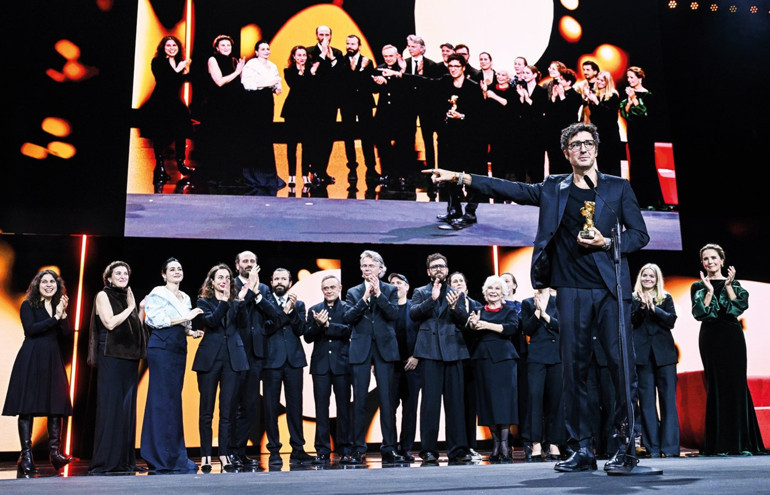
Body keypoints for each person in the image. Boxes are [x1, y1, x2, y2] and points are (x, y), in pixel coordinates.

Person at [426, 121, 650, 473]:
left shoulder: (617, 188)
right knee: (572, 373)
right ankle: (582, 449)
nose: (583, 148)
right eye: (575, 144)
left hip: (612, 291)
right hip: (571, 291)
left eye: (588, 142)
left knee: (621, 368)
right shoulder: (553, 188)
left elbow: (640, 235)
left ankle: (625, 446)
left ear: (597, 148)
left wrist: (607, 243)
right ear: (566, 153)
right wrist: (461, 178)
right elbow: (509, 188)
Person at [691, 243, 765, 455]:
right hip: (710, 337)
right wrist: (710, 291)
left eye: (714, 258)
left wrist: (729, 285)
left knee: (736, 385)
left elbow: (738, 307)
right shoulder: (698, 286)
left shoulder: (735, 283)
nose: (710, 262)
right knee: (716, 386)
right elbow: (701, 313)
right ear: (702, 263)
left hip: (732, 336)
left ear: (722, 260)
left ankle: (742, 443)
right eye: (706, 259)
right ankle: (720, 444)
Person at [3, 270, 74, 476]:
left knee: (56, 404)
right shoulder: (28, 305)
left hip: (52, 358)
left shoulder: (58, 306)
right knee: (27, 406)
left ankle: (55, 453)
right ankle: (26, 455)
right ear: (37, 284)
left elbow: (66, 333)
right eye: (45, 281)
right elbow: (31, 329)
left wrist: (63, 314)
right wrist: (55, 317)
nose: (49, 284)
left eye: (53, 281)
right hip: (32, 358)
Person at [140, 257, 203, 472]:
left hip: (178, 348)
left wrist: (191, 330)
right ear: (164, 274)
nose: (177, 271)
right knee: (161, 401)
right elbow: (156, 320)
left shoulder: (184, 296)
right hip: (162, 347)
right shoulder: (157, 293)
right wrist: (187, 317)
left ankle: (175, 456)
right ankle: (158, 456)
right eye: (172, 269)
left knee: (173, 402)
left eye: (180, 268)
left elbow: (182, 324)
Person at [410, 253, 472, 465]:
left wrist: (455, 308)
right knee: (430, 404)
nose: (438, 269)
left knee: (455, 404)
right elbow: (414, 314)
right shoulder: (421, 292)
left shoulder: (457, 293)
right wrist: (432, 299)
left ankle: (458, 449)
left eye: (442, 266)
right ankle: (428, 450)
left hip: (453, 352)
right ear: (428, 271)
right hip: (429, 353)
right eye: (434, 267)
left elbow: (465, 321)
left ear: (447, 270)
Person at [343, 250, 404, 464]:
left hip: (385, 349)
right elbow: (348, 317)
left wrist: (378, 294)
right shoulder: (353, 291)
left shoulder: (390, 289)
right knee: (359, 400)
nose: (366, 269)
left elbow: (394, 315)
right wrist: (365, 298)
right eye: (364, 266)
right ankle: (358, 447)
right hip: (361, 349)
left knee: (387, 400)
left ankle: (389, 447)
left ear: (380, 268)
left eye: (370, 265)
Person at [88, 261, 147, 474]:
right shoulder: (103, 295)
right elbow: (110, 323)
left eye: (125, 273)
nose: (123, 276)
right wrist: (132, 306)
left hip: (129, 359)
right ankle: (106, 462)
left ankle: (124, 461)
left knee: (126, 410)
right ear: (109, 278)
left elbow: (134, 329)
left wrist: (139, 310)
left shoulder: (127, 297)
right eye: (118, 273)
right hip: (111, 357)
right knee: (111, 408)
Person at [231, 251, 287, 468]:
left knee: (250, 405)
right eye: (244, 261)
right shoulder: (231, 284)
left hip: (257, 352)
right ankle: (231, 451)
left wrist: (257, 293)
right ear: (237, 265)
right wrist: (247, 292)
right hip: (236, 350)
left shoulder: (263, 288)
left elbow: (274, 315)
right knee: (234, 404)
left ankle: (241, 451)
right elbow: (233, 314)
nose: (249, 264)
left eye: (252, 261)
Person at [193, 264, 250, 472]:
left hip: (233, 359)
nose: (224, 280)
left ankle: (225, 454)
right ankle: (206, 455)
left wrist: (241, 302)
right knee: (206, 411)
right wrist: (225, 302)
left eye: (227, 277)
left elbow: (243, 325)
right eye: (220, 277)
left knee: (227, 411)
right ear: (212, 281)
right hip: (209, 359)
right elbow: (212, 322)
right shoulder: (203, 301)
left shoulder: (235, 302)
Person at [263, 268, 313, 467]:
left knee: (295, 406)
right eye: (276, 279)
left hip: (293, 361)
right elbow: (267, 328)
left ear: (290, 282)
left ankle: (298, 449)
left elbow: (302, 330)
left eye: (284, 278)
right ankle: (274, 449)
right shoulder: (265, 304)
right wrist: (283, 312)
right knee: (270, 407)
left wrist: (291, 312)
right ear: (271, 282)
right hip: (271, 361)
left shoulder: (299, 305)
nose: (280, 282)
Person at [467, 275, 520, 463]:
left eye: (497, 289)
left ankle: (505, 443)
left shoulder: (510, 309)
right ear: (485, 292)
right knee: (487, 401)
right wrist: (473, 325)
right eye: (490, 288)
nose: (493, 292)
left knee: (504, 402)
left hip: (504, 360)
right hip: (483, 359)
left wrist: (486, 325)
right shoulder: (478, 310)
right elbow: (471, 331)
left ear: (503, 292)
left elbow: (512, 328)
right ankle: (495, 443)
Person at [631, 263, 679, 458]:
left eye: (651, 276)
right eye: (645, 276)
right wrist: (643, 307)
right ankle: (652, 447)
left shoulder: (665, 298)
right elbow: (632, 322)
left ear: (657, 279)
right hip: (642, 358)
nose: (648, 279)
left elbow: (671, 321)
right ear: (640, 278)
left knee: (668, 402)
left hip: (665, 357)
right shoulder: (633, 299)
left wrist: (654, 308)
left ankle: (670, 447)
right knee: (647, 403)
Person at [304, 274, 352, 464]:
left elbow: (349, 330)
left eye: (332, 287)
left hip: (342, 364)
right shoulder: (314, 309)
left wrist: (328, 325)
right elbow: (308, 336)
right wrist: (318, 325)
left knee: (344, 408)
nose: (329, 291)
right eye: (325, 288)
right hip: (321, 366)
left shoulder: (348, 308)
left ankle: (345, 449)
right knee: (321, 409)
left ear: (339, 288)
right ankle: (322, 450)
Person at [139, 36, 193, 193]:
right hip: (160, 102)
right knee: (160, 135)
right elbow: (165, 80)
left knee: (181, 132)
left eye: (174, 45)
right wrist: (179, 69)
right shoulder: (157, 62)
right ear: (163, 48)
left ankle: (181, 164)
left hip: (175, 102)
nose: (171, 48)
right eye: (168, 45)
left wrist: (185, 71)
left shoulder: (179, 61)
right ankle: (160, 167)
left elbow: (180, 80)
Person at [521, 288, 564, 462]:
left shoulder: (559, 301)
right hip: (537, 356)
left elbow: (563, 326)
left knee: (556, 401)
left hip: (556, 355)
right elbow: (527, 329)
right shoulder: (527, 303)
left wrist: (546, 315)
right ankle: (536, 443)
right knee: (535, 399)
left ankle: (554, 443)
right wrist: (537, 313)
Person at [201, 34, 246, 190]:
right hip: (218, 107)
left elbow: (240, 82)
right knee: (219, 140)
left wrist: (241, 72)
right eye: (223, 45)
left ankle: (232, 175)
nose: (227, 48)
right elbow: (219, 82)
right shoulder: (212, 60)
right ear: (217, 48)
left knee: (232, 141)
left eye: (229, 45)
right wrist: (237, 71)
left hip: (233, 106)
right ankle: (217, 175)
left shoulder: (234, 61)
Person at [240, 40, 285, 196]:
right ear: (256, 51)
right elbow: (247, 84)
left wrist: (276, 87)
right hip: (254, 103)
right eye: (263, 49)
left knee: (266, 137)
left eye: (268, 48)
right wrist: (268, 83)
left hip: (267, 102)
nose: (266, 51)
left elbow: (276, 82)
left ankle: (268, 175)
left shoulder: (272, 66)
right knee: (255, 137)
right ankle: (253, 176)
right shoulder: (251, 65)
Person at [448, 271, 483, 461]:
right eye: (455, 281)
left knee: (471, 405)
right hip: (454, 357)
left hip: (472, 359)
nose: (458, 283)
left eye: (461, 280)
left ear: (466, 286)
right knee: (456, 404)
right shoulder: (447, 304)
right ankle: (458, 446)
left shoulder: (476, 305)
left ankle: (471, 445)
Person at [388, 272, 420, 462]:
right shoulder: (386, 308)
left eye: (399, 282)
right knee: (389, 408)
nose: (395, 286)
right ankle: (390, 446)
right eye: (392, 283)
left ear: (407, 287)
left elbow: (423, 334)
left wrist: (416, 356)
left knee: (410, 409)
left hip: (412, 366)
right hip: (390, 366)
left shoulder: (414, 309)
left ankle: (406, 447)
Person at [339, 34, 377, 187]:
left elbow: (372, 85)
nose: (350, 46)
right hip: (347, 104)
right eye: (348, 43)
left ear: (359, 46)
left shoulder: (368, 62)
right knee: (348, 136)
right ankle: (352, 167)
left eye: (353, 44)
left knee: (367, 135)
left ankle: (371, 167)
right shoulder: (341, 62)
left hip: (364, 103)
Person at [620, 66, 661, 209]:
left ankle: (651, 200)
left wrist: (633, 99)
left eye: (632, 77)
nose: (629, 80)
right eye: (628, 77)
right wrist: (630, 101)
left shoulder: (648, 95)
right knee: (635, 164)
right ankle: (638, 200)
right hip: (633, 133)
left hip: (646, 134)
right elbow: (626, 114)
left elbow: (644, 114)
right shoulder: (628, 94)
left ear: (640, 78)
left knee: (647, 164)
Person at [281, 46, 317, 196]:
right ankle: (291, 175)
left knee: (307, 145)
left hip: (308, 112)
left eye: (304, 55)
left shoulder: (312, 71)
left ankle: (304, 175)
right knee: (292, 145)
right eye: (299, 55)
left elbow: (312, 89)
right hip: (292, 112)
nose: (302, 58)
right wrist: (305, 73)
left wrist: (310, 73)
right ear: (294, 57)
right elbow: (296, 86)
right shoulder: (288, 71)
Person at [511, 64, 547, 184]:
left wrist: (527, 99)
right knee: (521, 163)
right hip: (521, 131)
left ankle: (537, 188)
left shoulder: (542, 91)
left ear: (535, 75)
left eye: (527, 73)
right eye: (523, 73)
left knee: (536, 163)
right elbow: (516, 110)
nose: (524, 75)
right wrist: (521, 98)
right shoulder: (520, 88)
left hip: (536, 132)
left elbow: (541, 111)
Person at [583, 71, 622, 177]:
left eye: (602, 80)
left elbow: (611, 116)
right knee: (602, 162)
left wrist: (597, 102)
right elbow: (593, 115)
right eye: (598, 79)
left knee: (613, 163)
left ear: (607, 82)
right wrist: (588, 98)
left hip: (611, 134)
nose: (599, 82)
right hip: (599, 134)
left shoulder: (613, 95)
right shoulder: (595, 95)